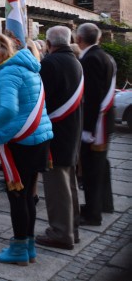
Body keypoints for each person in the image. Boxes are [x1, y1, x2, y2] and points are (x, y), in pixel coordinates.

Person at [0, 34, 53, 266]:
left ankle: (19, 248)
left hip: (22, 143)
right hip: (39, 139)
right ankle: (28, 246)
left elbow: (9, 110)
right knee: (28, 195)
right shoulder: (29, 68)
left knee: (17, 197)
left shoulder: (8, 72)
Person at [35, 26, 84, 250]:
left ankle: (60, 233)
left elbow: (40, 99)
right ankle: (71, 229)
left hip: (56, 132)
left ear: (48, 43)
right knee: (69, 183)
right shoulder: (75, 61)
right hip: (71, 131)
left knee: (57, 187)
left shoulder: (50, 64)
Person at [76, 22, 116, 226]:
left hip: (96, 126)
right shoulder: (105, 56)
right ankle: (104, 203)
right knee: (101, 166)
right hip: (104, 122)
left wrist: (87, 129)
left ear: (79, 39)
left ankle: (93, 214)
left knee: (91, 169)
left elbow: (92, 98)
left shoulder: (90, 60)